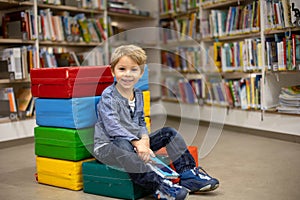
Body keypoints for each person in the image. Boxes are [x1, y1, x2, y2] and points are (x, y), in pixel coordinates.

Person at [93, 44, 219, 200]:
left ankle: (188, 174)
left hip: (134, 143)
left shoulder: (137, 94)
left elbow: (140, 120)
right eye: (122, 69)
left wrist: (144, 139)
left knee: (169, 133)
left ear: (141, 73)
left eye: (134, 70)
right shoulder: (108, 96)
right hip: (109, 146)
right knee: (123, 144)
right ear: (113, 71)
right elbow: (113, 126)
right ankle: (160, 187)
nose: (128, 75)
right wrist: (137, 143)